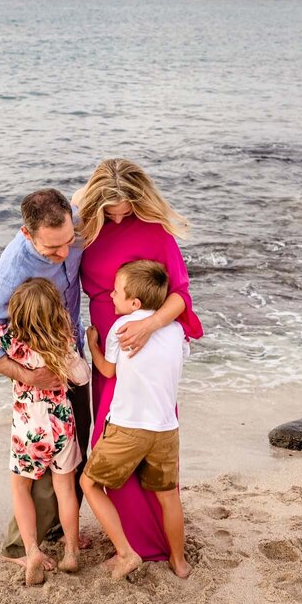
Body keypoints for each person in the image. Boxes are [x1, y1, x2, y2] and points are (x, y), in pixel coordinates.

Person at [74, 159, 202, 563]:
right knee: (110, 440)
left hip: (146, 348)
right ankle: (129, 542)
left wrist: (149, 327)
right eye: (110, 207)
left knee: (143, 433)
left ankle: (153, 545)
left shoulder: (156, 230)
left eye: (125, 205)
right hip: (107, 349)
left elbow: (180, 294)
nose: (118, 214)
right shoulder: (84, 230)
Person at [0, 188, 91, 565]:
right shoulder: (12, 273)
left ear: (71, 219)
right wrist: (30, 376)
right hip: (50, 382)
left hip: (31, 419)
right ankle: (28, 547)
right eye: (52, 250)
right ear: (26, 234)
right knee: (59, 477)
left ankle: (41, 544)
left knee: (31, 478)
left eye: (70, 241)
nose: (65, 253)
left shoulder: (74, 220)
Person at [83, 260, 191, 579]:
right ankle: (180, 562)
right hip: (166, 429)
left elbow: (108, 371)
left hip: (128, 427)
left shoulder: (121, 328)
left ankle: (125, 552)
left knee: (88, 483)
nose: (111, 296)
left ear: (134, 303)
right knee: (169, 497)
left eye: (116, 292)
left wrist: (92, 345)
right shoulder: (177, 330)